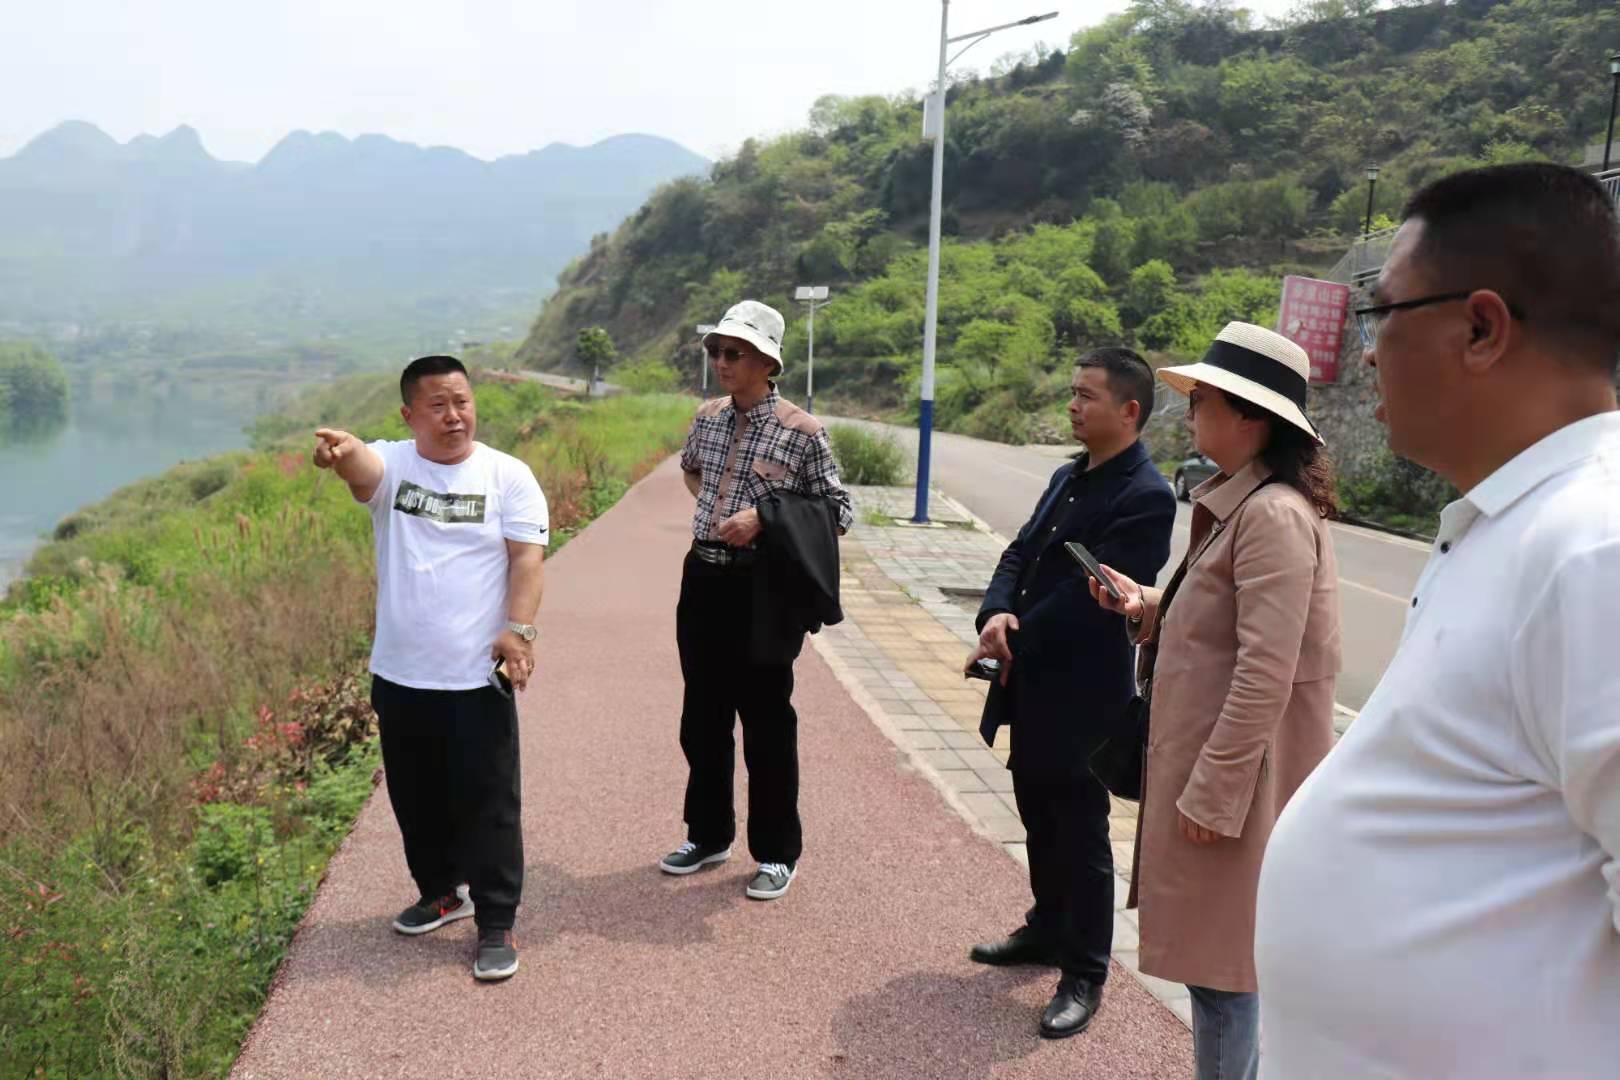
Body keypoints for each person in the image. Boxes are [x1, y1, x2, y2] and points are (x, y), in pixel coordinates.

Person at [1253, 163, 1620, 1076]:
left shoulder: (1595, 546)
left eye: (1382, 314)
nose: (1367, 354)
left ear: (1482, 328)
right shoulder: (1510, 524)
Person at [1090, 323, 1341, 1079]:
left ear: (1249, 416)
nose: (1192, 409)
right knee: (1219, 970)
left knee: (1225, 976)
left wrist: (1214, 792)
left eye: (1203, 398)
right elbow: (1224, 629)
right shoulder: (1250, 504)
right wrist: (1147, 606)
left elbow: (1265, 670)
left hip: (1238, 790)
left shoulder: (1271, 516)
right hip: (1223, 781)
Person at [311, 354, 547, 982]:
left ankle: (496, 921)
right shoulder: (393, 465)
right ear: (408, 415)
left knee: (490, 802)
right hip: (400, 674)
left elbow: (527, 558)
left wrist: (519, 631)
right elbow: (362, 466)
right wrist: (342, 451)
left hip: (475, 678)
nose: (453, 416)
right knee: (416, 798)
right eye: (437, 405)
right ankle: (442, 892)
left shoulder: (508, 475)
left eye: (462, 402)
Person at [963, 347, 1177, 1039]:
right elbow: (1019, 552)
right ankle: (1047, 927)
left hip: (1085, 695)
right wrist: (996, 612)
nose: (1073, 405)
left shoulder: (1146, 496)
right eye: (1073, 392)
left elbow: (1097, 600)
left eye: (1087, 395)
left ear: (1129, 410)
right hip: (1031, 677)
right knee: (1036, 810)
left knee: (1081, 830)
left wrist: (1014, 635)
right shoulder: (1067, 475)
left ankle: (1085, 972)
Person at [659, 300, 851, 901]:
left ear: (767, 362)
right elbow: (692, 470)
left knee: (767, 723)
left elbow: (838, 512)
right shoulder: (707, 418)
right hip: (703, 579)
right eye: (716, 351)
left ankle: (776, 852)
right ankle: (707, 834)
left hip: (763, 592)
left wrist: (764, 518)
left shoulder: (803, 432)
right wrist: (715, 507)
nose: (721, 362)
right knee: (702, 718)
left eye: (734, 353)